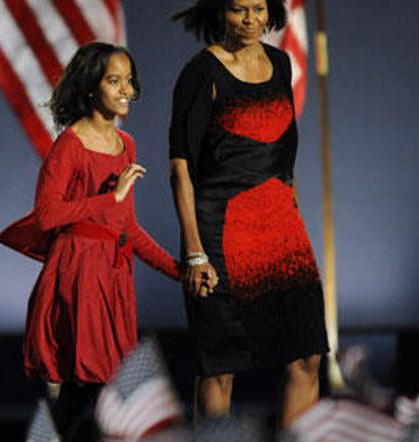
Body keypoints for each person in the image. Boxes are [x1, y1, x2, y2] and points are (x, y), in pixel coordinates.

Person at [0, 42, 180, 440]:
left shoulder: (126, 145)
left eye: (129, 80)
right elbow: (47, 215)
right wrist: (106, 199)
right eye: (114, 81)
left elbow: (126, 228)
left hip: (114, 279)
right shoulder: (70, 145)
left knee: (105, 389)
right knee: (91, 384)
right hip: (79, 274)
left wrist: (178, 271)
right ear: (91, 87)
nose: (126, 90)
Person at [169, 0, 329, 427]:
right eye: (239, 10)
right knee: (220, 367)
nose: (251, 20)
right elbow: (180, 168)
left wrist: (291, 216)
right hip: (219, 234)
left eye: (259, 8)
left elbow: (284, 155)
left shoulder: (280, 63)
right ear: (220, 12)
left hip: (279, 229)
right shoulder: (201, 71)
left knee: (308, 356)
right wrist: (194, 252)